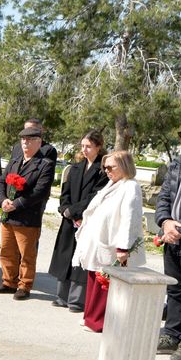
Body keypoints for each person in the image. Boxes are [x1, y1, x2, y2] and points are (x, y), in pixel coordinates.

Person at [73, 151, 144, 333]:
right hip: (98, 242)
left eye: (111, 167)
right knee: (95, 279)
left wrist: (124, 246)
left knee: (105, 282)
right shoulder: (111, 184)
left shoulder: (130, 186)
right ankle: (90, 317)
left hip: (113, 244)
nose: (107, 170)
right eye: (105, 167)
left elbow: (130, 218)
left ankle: (99, 321)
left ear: (124, 166)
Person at [0, 125, 56, 300]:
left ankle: (24, 286)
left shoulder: (45, 164)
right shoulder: (15, 161)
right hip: (9, 214)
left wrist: (17, 203)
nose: (25, 143)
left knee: (27, 254)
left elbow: (40, 191)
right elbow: (1, 182)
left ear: (39, 142)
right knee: (7, 251)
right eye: (23, 140)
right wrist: (2, 200)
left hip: (27, 217)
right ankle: (8, 282)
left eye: (30, 140)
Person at [48, 131, 108, 312]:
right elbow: (64, 192)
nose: (85, 149)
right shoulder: (75, 168)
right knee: (66, 256)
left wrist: (75, 212)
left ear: (98, 147)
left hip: (87, 221)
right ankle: (61, 295)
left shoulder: (102, 171)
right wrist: (65, 209)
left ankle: (76, 300)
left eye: (89, 146)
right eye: (82, 146)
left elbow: (95, 196)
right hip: (69, 220)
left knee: (82, 258)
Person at [156, 111, 181, 360]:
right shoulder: (179, 162)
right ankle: (172, 333)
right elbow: (164, 197)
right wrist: (165, 222)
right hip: (173, 238)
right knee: (175, 289)